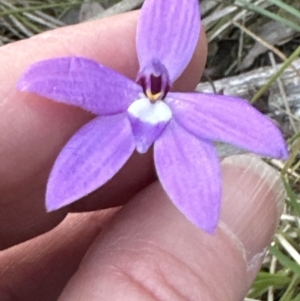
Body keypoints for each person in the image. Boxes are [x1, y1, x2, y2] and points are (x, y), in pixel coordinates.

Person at [0, 10, 285, 301]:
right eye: (149, 81)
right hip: (117, 132)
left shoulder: (184, 109)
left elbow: (255, 132)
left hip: (181, 137)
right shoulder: (117, 94)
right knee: (70, 183)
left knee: (201, 207)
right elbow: (52, 78)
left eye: (158, 83)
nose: (154, 86)